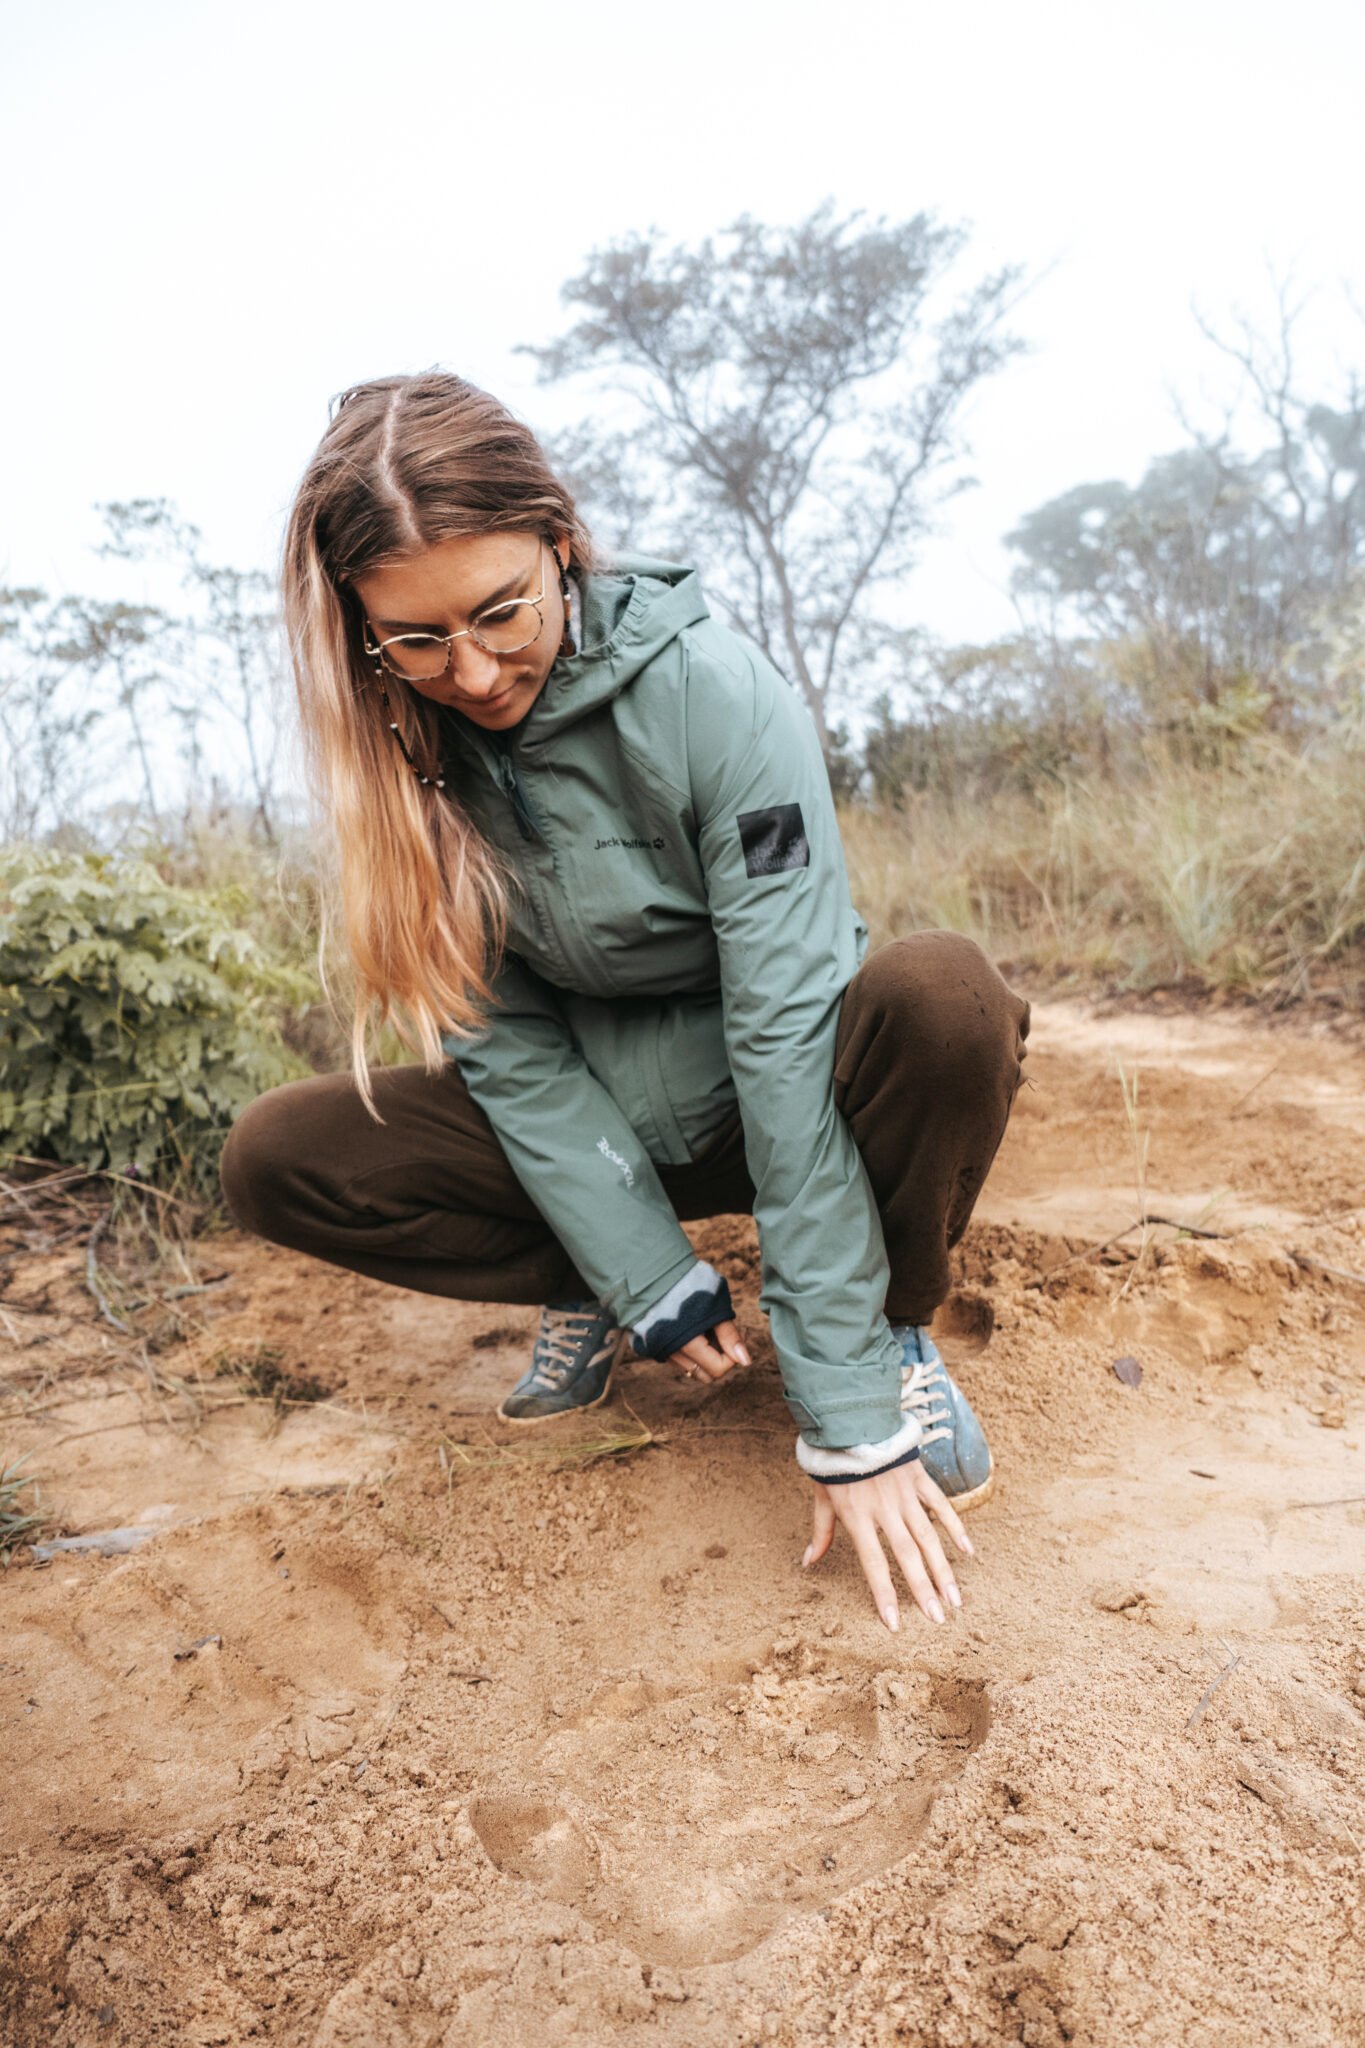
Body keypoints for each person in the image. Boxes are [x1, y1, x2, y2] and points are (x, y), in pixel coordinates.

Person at [220, 371, 1030, 1634]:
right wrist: (651, 1271)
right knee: (277, 1156)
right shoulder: (397, 749)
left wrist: (847, 1414)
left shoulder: (717, 694)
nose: (475, 672)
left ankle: (889, 1326)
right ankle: (598, 1281)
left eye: (501, 613)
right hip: (603, 1122)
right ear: (363, 628)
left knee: (947, 1000)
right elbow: (514, 1051)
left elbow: (784, 1029)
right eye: (419, 640)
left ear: (561, 541)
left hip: (785, 1080)